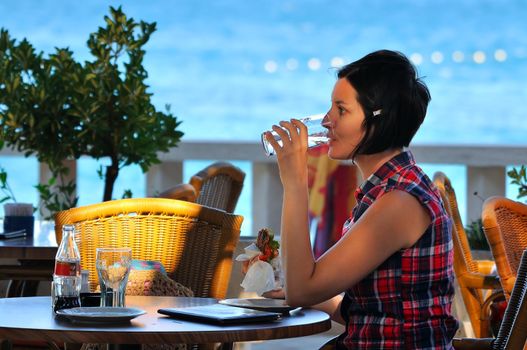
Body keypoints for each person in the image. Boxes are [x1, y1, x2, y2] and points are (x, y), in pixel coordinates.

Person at [262, 49, 459, 349]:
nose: (327, 121)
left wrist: (295, 182)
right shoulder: (389, 188)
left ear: (378, 119)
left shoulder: (399, 202)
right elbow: (373, 311)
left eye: (341, 110)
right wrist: (298, 289)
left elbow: (302, 290)